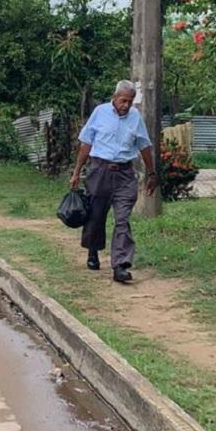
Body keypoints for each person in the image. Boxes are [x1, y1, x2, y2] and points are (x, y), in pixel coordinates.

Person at [69, 80, 158, 284]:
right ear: (115, 97)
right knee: (96, 215)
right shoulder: (100, 112)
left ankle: (120, 265)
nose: (126, 105)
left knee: (122, 219)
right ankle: (93, 250)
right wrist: (76, 172)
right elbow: (86, 144)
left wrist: (152, 173)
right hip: (99, 170)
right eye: (123, 100)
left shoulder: (135, 118)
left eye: (130, 101)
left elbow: (144, 146)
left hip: (125, 174)